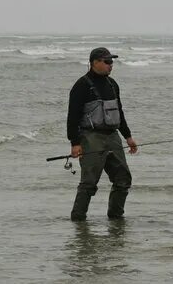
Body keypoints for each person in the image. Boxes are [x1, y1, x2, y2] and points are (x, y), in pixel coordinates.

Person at [67, 47, 138, 221]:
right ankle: (78, 220)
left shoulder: (112, 84)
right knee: (89, 182)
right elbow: (72, 117)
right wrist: (75, 143)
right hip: (90, 137)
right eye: (107, 62)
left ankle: (116, 218)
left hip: (113, 136)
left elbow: (119, 112)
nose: (111, 65)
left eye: (112, 61)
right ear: (94, 62)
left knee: (123, 179)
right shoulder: (81, 85)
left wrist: (128, 137)